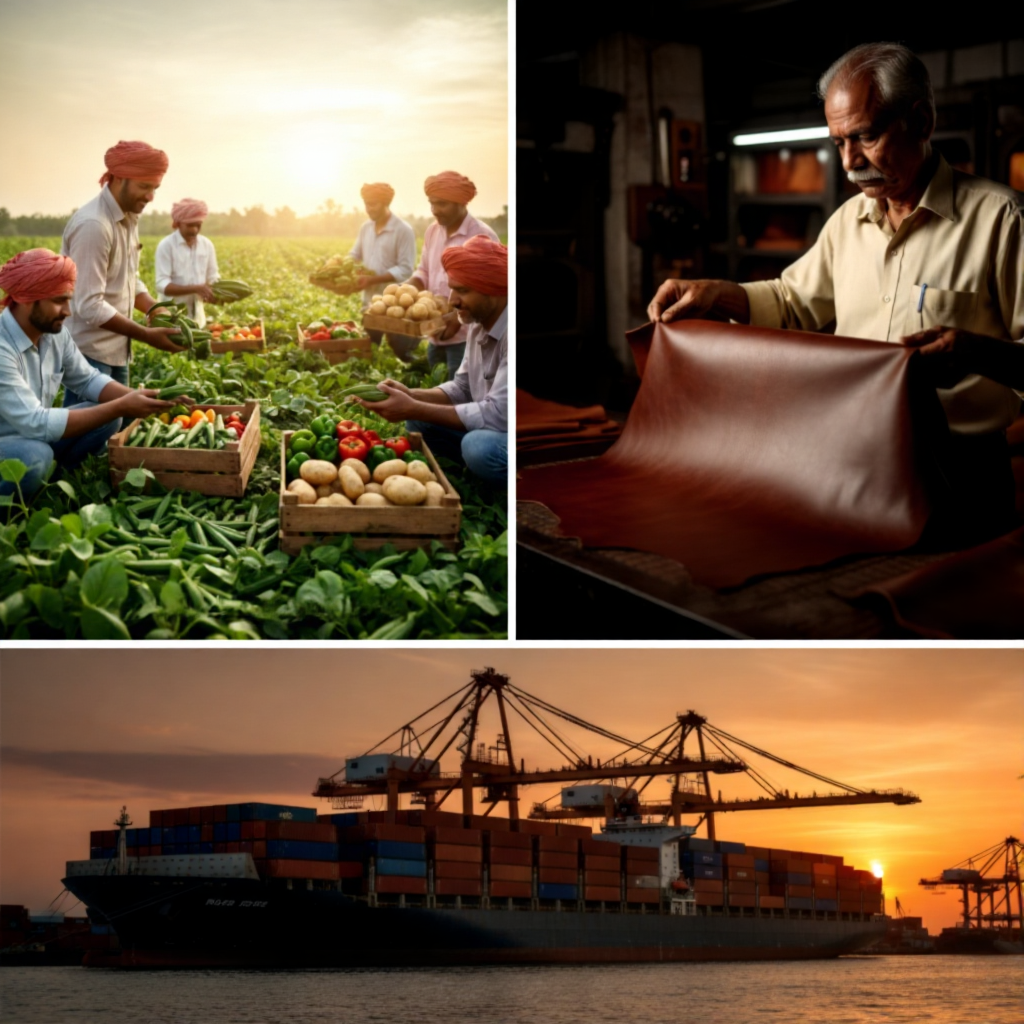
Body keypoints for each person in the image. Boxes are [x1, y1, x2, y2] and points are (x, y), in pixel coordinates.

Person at [647, 42, 1024, 542]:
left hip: (961, 473)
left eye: (865, 136)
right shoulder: (848, 222)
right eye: (838, 142)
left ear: (922, 120)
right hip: (854, 462)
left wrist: (975, 352)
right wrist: (718, 293)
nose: (850, 162)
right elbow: (791, 301)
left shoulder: (1004, 220)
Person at [0, 249, 175, 499]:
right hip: (9, 444)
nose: (68, 311)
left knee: (108, 415)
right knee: (34, 456)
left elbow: (88, 379)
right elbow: (36, 422)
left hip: (32, 435)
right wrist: (121, 406)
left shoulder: (54, 334)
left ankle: (54, 481)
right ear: (27, 299)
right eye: (60, 301)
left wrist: (139, 398)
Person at [357, 235, 507, 485]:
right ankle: (471, 467)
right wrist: (412, 395)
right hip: (493, 422)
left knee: (478, 448)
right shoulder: (477, 323)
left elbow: (500, 415)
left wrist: (413, 405)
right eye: (452, 288)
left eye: (463, 290)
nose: (452, 301)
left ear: (493, 290)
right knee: (418, 418)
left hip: (510, 431)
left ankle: (493, 471)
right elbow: (462, 388)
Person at [61, 140, 184, 408]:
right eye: (144, 186)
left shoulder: (128, 217)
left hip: (117, 349)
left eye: (155, 188)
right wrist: (146, 335)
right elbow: (89, 305)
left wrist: (154, 308)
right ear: (118, 178)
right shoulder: (94, 225)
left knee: (114, 431)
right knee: (86, 433)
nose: (151, 196)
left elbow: (129, 278)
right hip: (89, 352)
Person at [405, 171, 500, 378]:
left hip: (467, 338)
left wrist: (457, 319)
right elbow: (424, 271)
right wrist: (405, 290)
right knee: (439, 391)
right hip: (435, 332)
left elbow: (492, 291)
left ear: (461, 203)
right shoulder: (432, 231)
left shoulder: (481, 236)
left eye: (442, 204)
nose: (435, 210)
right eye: (432, 203)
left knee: (464, 397)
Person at [350, 182, 417, 360]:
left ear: (386, 203)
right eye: (366, 203)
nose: (368, 208)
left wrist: (372, 279)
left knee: (402, 352)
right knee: (369, 351)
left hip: (396, 307)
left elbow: (405, 268)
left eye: (373, 204)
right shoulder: (366, 228)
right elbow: (355, 254)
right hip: (370, 304)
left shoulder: (403, 230)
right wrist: (343, 270)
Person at [155, 198, 220, 327]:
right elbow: (162, 285)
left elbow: (213, 277)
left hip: (198, 318)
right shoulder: (166, 246)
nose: (195, 230)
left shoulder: (207, 245)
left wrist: (215, 293)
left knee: (196, 345)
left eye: (198, 225)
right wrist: (196, 288)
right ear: (177, 223)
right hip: (170, 317)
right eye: (190, 225)